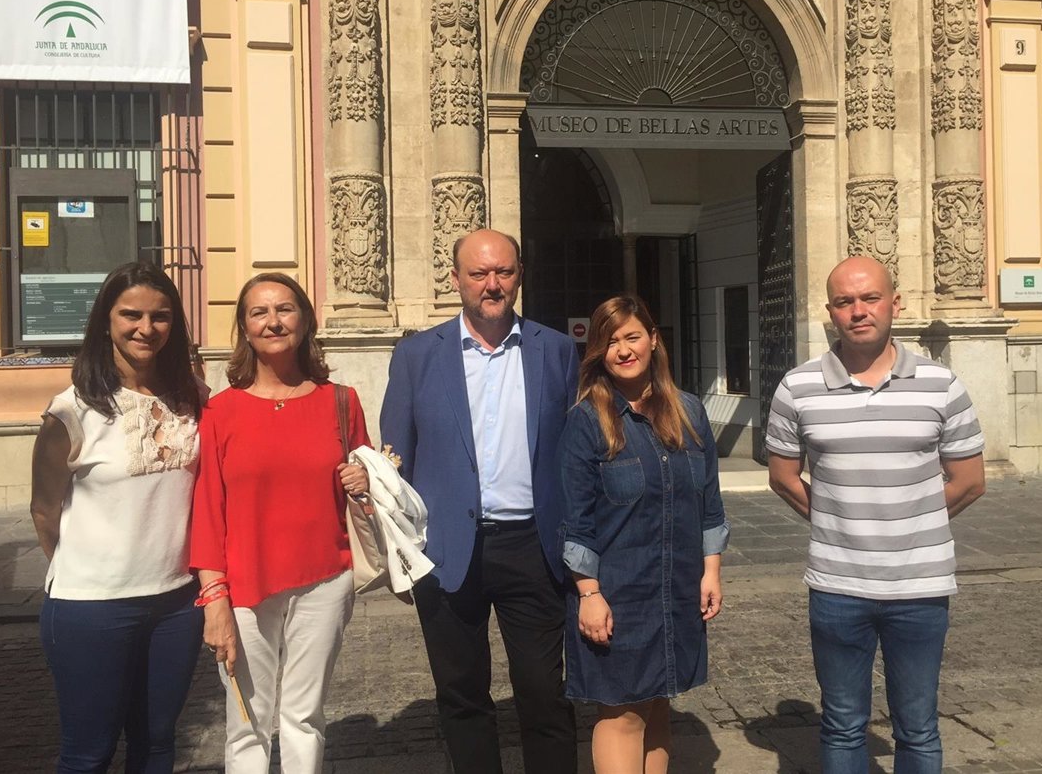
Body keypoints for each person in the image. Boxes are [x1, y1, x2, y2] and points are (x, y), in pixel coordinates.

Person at [765, 256, 987, 774]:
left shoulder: (941, 384)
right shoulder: (797, 387)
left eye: (870, 298)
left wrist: (909, 518)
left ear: (895, 303)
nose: (858, 311)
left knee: (918, 727)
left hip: (920, 587)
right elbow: (783, 476)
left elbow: (970, 480)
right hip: (838, 587)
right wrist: (839, 519)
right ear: (830, 312)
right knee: (843, 726)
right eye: (845, 302)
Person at [380, 228, 579, 774]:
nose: (492, 285)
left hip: (533, 548)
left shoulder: (556, 350)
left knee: (544, 693)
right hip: (447, 549)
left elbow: (573, 451)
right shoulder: (417, 356)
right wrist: (403, 555)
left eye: (504, 272)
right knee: (462, 694)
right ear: (456, 279)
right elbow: (395, 464)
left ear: (519, 276)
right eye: (479, 273)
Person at [190, 272, 371, 774]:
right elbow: (207, 510)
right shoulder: (219, 412)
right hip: (245, 587)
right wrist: (213, 598)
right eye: (259, 312)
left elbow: (368, 492)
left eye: (285, 309)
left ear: (305, 320)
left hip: (325, 578)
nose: (273, 321)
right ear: (245, 329)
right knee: (247, 721)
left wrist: (364, 482)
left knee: (304, 716)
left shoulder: (341, 401)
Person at [31, 261, 205, 774]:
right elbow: (44, 509)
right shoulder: (72, 410)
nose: (145, 328)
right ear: (105, 321)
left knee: (157, 746)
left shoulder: (194, 399)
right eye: (131, 314)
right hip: (92, 608)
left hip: (177, 603)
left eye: (160, 316)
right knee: (89, 754)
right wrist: (90, 569)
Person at [559, 294, 728, 774]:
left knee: (656, 705)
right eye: (610, 342)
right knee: (622, 714)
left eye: (632, 337)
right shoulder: (587, 421)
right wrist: (589, 594)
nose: (623, 350)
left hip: (676, 587)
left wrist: (711, 571)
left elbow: (709, 504)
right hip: (618, 592)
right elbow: (575, 521)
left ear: (653, 339)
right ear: (598, 353)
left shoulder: (689, 411)